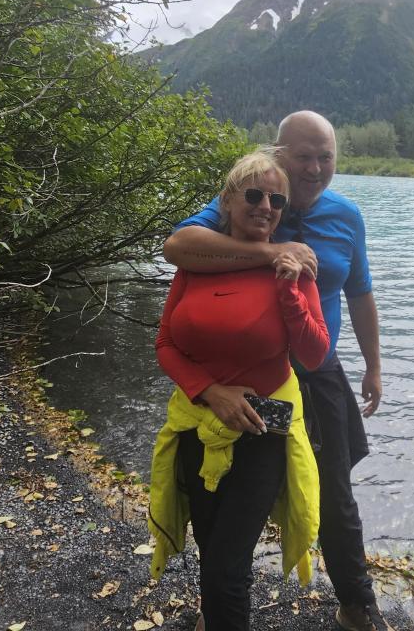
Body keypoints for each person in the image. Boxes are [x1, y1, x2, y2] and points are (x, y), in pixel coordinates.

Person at [164, 111, 393, 631]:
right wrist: (272, 250)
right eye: (303, 157)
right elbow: (179, 247)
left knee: (333, 493)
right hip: (250, 377)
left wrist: (374, 366)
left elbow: (360, 293)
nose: (314, 168)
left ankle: (356, 604)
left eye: (325, 157)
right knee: (229, 493)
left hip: (317, 370)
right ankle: (219, 604)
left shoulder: (346, 216)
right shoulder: (256, 201)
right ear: (278, 155)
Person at [147, 149, 330, 631]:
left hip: (263, 430)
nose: (265, 206)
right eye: (253, 195)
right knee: (212, 551)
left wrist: (289, 292)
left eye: (276, 200)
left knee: (226, 567)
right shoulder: (198, 263)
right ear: (227, 201)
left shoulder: (294, 266)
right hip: (197, 423)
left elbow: (314, 354)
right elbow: (166, 344)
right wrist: (211, 391)